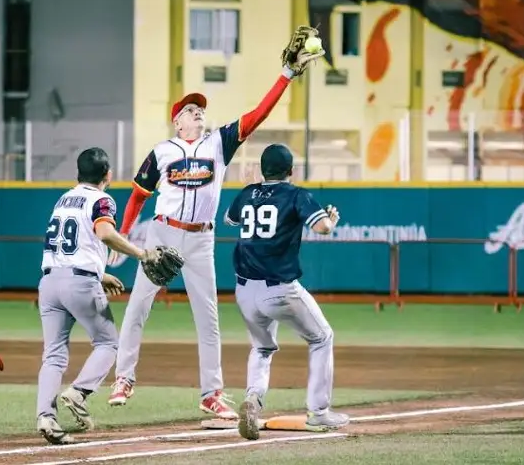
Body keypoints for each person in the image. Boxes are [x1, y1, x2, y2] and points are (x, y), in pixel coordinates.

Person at [106, 34, 324, 419]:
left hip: (200, 239)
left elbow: (259, 115)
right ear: (177, 121)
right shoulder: (162, 152)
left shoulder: (219, 143)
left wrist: (287, 73)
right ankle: (123, 378)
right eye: (190, 110)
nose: (197, 113)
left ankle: (212, 393)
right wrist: (123, 236)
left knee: (207, 318)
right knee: (138, 307)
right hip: (162, 235)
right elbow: (139, 195)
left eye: (200, 109)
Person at [223, 143, 350, 440]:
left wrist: (251, 193)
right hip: (279, 289)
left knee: (262, 347)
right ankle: (319, 413)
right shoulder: (296, 194)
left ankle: (253, 399)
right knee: (322, 338)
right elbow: (322, 229)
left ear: (260, 169)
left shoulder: (247, 192)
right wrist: (331, 219)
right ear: (291, 171)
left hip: (244, 290)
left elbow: (231, 220)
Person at [35, 147, 161, 444]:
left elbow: (69, 243)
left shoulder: (64, 198)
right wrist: (142, 253)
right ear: (108, 175)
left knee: (53, 354)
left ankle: (46, 416)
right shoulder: (101, 199)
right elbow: (104, 233)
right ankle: (78, 392)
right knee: (108, 343)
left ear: (78, 174)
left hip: (50, 281)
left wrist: (99, 273)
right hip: (78, 284)